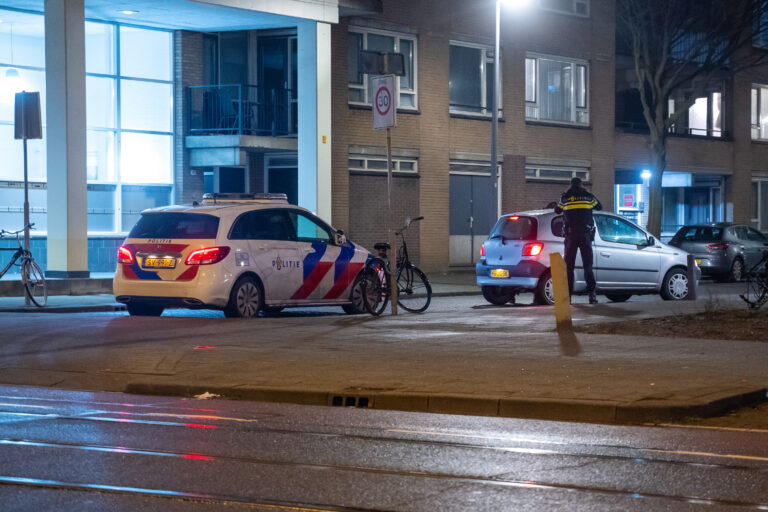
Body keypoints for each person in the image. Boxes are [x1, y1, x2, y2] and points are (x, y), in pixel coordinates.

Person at [554, 177, 602, 304]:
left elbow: (556, 211)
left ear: (570, 185)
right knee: (588, 265)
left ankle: (568, 296)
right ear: (581, 184)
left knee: (568, 267)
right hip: (585, 235)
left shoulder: (565, 197)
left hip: (570, 236)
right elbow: (599, 207)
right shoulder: (588, 196)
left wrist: (565, 196)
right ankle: (592, 295)